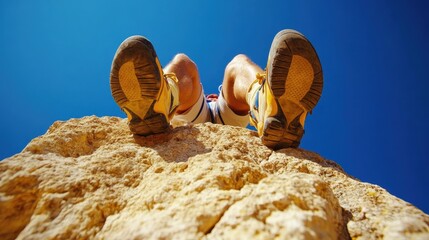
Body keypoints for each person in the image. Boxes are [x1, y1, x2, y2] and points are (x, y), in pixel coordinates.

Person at [110, 29, 323, 149]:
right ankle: (159, 100)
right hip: (201, 113)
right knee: (183, 63)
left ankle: (268, 105)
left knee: (237, 64)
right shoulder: (204, 98)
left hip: (219, 113)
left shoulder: (217, 99)